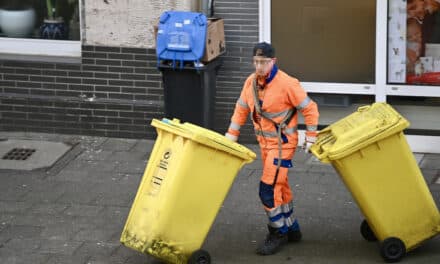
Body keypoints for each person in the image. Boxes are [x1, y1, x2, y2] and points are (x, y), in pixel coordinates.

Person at [225, 42, 319, 255]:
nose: (259, 66)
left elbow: (310, 109)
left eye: (263, 62)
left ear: (273, 62)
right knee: (281, 187)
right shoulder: (250, 83)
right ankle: (292, 228)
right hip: (265, 146)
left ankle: (278, 232)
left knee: (267, 190)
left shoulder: (287, 84)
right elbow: (241, 108)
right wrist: (232, 135)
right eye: (256, 62)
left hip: (282, 146)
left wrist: (311, 138)